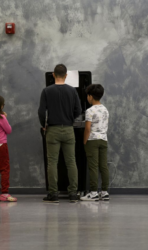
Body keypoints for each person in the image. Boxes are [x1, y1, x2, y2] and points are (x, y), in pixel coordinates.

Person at [38, 64, 82, 203]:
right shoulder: (72, 91)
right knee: (71, 162)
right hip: (68, 129)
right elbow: (79, 109)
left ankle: (53, 194)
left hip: (52, 129)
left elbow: (41, 111)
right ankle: (73, 193)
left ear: (53, 74)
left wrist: (43, 125)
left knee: (52, 162)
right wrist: (70, 119)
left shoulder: (46, 91)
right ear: (66, 75)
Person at [81, 84, 110, 201]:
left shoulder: (89, 111)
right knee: (103, 166)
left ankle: (93, 193)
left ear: (90, 97)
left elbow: (87, 128)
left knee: (93, 167)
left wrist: (84, 141)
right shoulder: (105, 110)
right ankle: (104, 192)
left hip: (92, 140)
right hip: (103, 140)